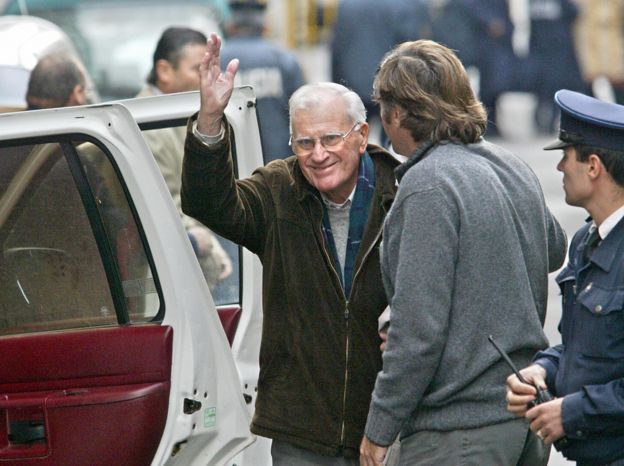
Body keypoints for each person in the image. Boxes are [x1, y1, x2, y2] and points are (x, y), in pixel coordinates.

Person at [181, 33, 399, 465]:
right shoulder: (278, 188)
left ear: (361, 135)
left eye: (331, 139)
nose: (318, 155)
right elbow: (210, 203)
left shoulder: (403, 191)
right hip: (301, 426)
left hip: (384, 422)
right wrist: (209, 120)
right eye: (304, 143)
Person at [359, 39, 567, 466]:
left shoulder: (428, 185)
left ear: (397, 113)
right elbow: (552, 249)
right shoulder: (507, 164)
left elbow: (418, 332)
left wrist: (380, 428)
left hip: (459, 432)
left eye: (383, 108)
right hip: (524, 420)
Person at [506, 90, 624, 465]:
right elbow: (584, 349)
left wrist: (571, 412)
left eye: (564, 156)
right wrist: (543, 370)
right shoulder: (587, 239)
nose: (559, 168)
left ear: (593, 166)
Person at [138, 27, 231, 290]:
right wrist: (209, 244)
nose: (209, 79)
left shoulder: (185, 112)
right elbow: (166, 204)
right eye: (198, 70)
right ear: (165, 71)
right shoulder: (146, 127)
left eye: (212, 69)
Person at [221, 0, 305, 162]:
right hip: (281, 161)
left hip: (233, 162)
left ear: (231, 26)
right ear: (264, 27)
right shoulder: (284, 59)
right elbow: (302, 111)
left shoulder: (217, 61)